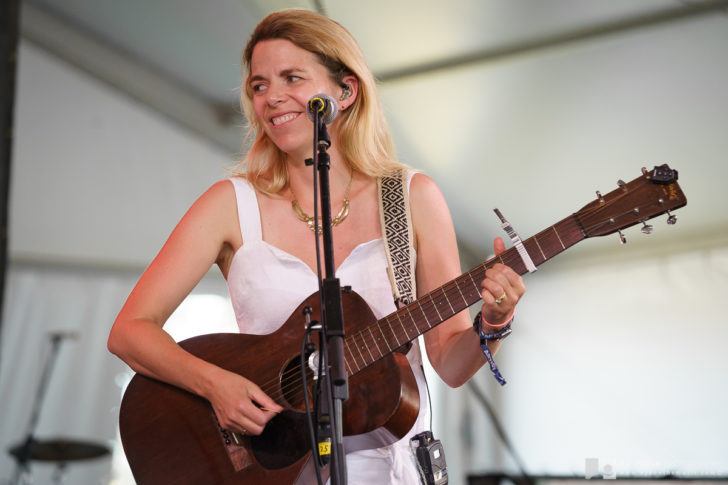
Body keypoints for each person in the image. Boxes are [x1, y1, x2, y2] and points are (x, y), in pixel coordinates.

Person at [108, 8, 525, 484]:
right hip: (270, 469)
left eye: (292, 78)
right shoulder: (230, 204)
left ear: (346, 91)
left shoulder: (410, 198)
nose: (272, 98)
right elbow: (129, 331)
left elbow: (449, 363)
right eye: (259, 85)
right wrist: (217, 385)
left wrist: (494, 321)